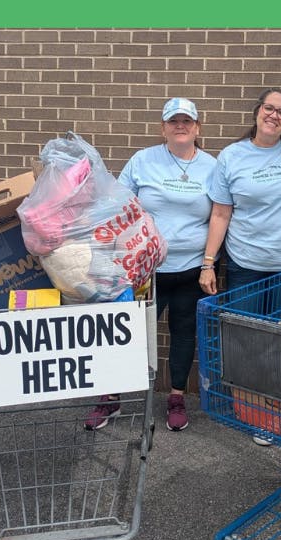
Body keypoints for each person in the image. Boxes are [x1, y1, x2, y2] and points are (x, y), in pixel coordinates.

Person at [89, 97, 223, 432]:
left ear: (197, 127)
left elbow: (221, 214)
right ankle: (110, 398)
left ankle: (176, 397)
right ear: (163, 128)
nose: (181, 126)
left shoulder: (212, 166)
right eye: (174, 121)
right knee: (126, 334)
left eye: (187, 121)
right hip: (144, 273)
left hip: (192, 270)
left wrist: (209, 264)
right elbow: (118, 206)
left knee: (183, 333)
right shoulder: (143, 160)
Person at [204, 88, 281, 445]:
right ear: (257, 112)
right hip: (245, 263)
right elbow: (221, 212)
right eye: (269, 108)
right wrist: (209, 263)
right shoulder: (232, 156)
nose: (274, 115)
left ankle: (278, 408)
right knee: (246, 339)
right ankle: (253, 411)